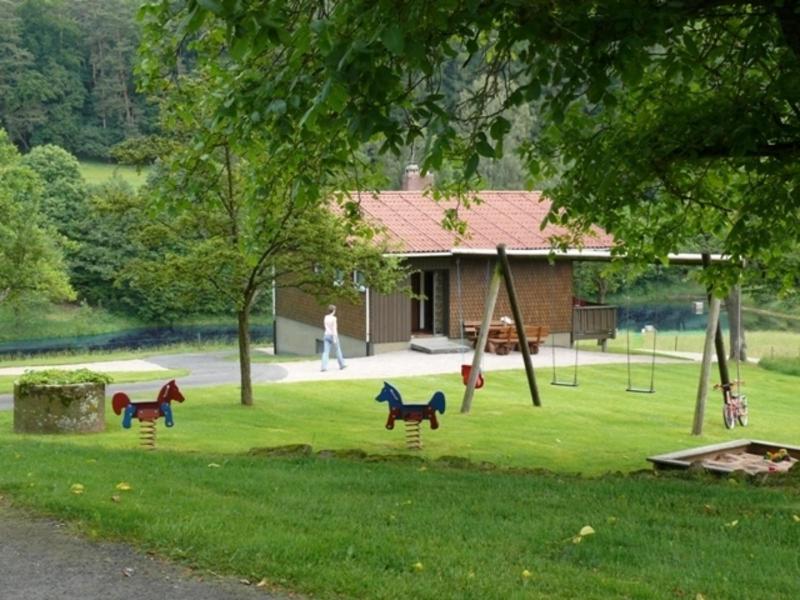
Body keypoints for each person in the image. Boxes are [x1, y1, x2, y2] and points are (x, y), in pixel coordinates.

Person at [321, 304, 346, 371]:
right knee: (338, 350)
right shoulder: (334, 318)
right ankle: (342, 365)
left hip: (326, 335)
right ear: (333, 311)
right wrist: (335, 338)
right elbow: (334, 329)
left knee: (325, 352)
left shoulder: (325, 317)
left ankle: (323, 367)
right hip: (332, 335)